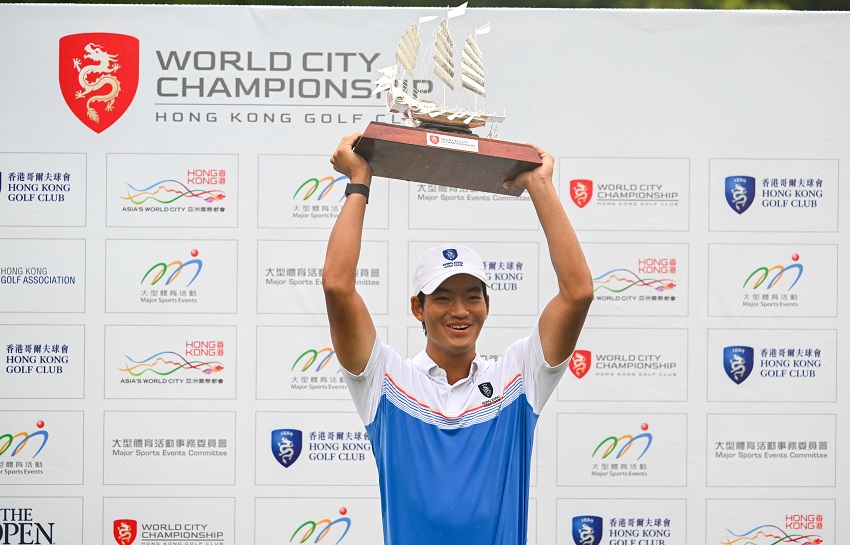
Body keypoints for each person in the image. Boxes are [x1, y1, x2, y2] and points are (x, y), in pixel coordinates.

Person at [322, 132, 593, 545]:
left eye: (471, 296)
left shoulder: (517, 376)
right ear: (419, 309)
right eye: (443, 298)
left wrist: (539, 186)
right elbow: (337, 286)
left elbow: (578, 293)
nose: (460, 311)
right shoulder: (385, 381)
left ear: (487, 304)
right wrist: (360, 180)